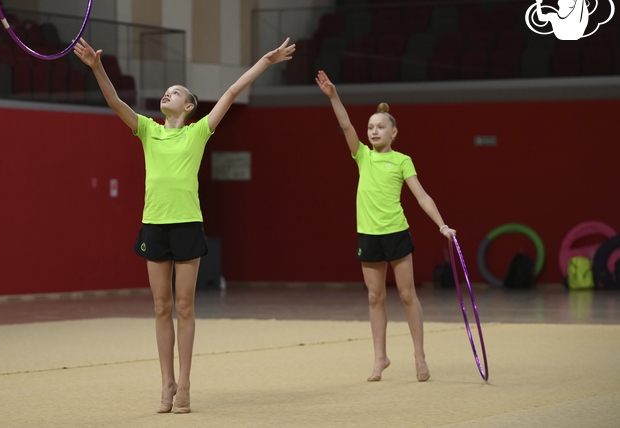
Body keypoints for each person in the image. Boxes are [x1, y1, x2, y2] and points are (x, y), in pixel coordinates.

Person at [74, 37, 295, 414]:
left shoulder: (199, 132)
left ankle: (187, 382)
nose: (167, 94)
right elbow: (115, 102)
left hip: (188, 225)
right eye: (165, 92)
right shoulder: (147, 130)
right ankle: (166, 382)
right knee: (161, 307)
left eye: (175, 92)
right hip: (154, 226)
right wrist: (97, 67)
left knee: (185, 306)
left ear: (189, 107)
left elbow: (232, 90)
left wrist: (265, 61)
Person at [315, 70, 455, 382]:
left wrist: (443, 226)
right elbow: (345, 125)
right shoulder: (361, 156)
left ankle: (419, 357)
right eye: (370, 127)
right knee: (374, 298)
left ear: (394, 133)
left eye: (380, 127)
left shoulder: (403, 160)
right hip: (369, 235)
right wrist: (333, 96)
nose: (373, 131)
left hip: (396, 233)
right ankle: (381, 358)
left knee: (407, 295)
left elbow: (422, 196)